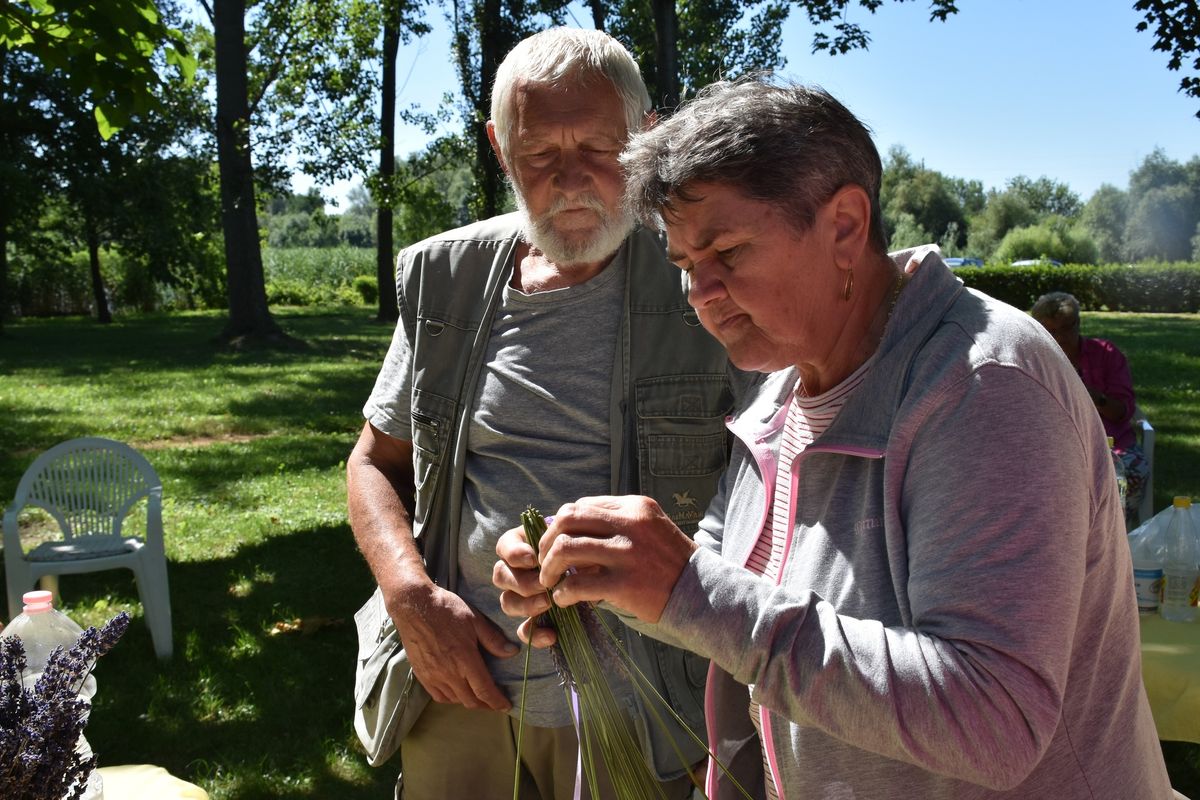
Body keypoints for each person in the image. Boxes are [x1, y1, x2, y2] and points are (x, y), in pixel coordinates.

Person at [494, 77, 1173, 799]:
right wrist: (600, 578)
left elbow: (994, 720)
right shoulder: (780, 394)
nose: (700, 295)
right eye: (687, 266)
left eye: (726, 251)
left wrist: (688, 588)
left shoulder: (985, 383)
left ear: (845, 226)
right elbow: (721, 607)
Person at [346, 27, 736, 800]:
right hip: (460, 690)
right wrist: (409, 596)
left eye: (598, 148)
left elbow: (778, 487)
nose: (570, 181)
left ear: (647, 136)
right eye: (539, 156)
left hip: (650, 706)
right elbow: (373, 463)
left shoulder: (706, 280)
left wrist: (722, 692)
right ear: (498, 148)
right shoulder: (446, 279)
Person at [1031, 291, 1149, 527]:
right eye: (1050, 331)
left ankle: (1112, 541)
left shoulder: (1105, 355)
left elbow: (1122, 411)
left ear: (1078, 324)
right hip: (1054, 448)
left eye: (1066, 329)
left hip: (1110, 445)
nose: (1059, 338)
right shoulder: (1033, 359)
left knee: (1128, 475)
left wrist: (1095, 397)